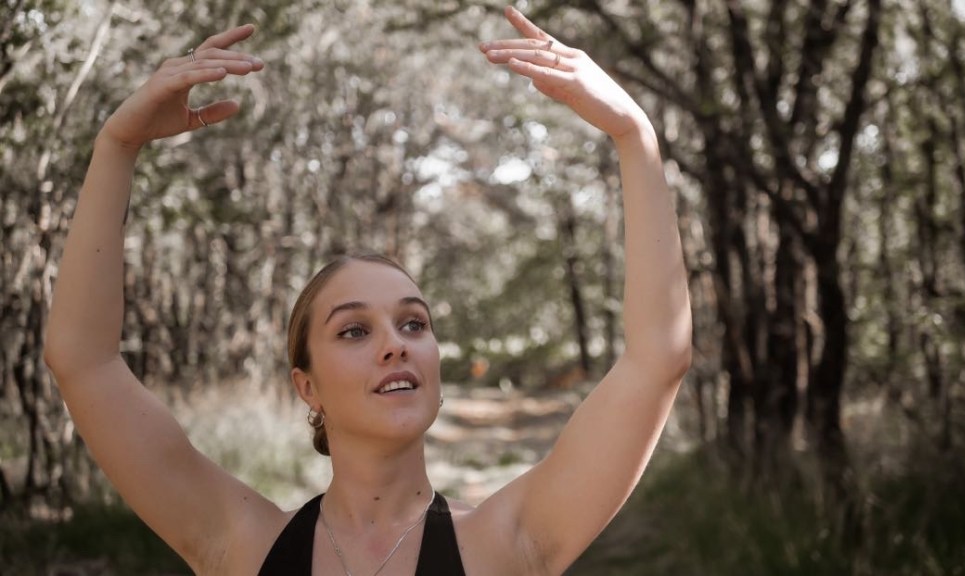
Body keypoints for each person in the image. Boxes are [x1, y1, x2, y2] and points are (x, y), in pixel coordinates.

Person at [44, 6, 692, 575]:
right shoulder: (242, 546)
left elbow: (657, 359)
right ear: (308, 386)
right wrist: (116, 145)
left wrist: (636, 139)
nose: (395, 346)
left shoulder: (507, 545)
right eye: (355, 330)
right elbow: (83, 362)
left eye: (414, 324)